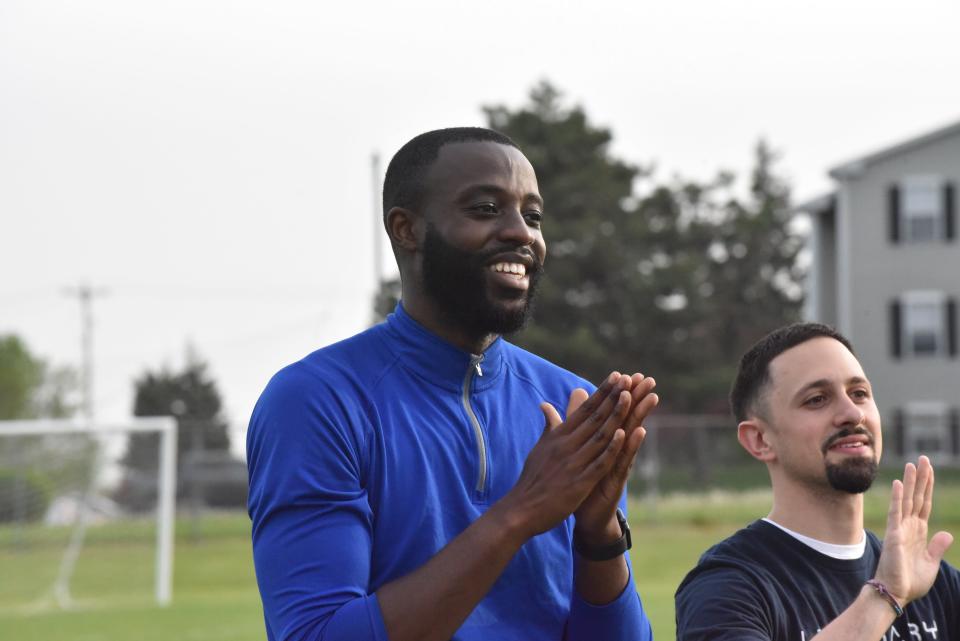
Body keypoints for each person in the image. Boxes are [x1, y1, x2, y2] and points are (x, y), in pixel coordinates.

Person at [247, 127, 658, 641]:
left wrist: (599, 537)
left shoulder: (569, 403)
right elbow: (315, 633)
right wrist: (521, 512)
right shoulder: (317, 402)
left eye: (533, 216)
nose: (521, 233)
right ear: (407, 230)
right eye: (486, 209)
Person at [675, 322, 959, 641]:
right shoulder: (728, 586)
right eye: (817, 399)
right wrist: (885, 595)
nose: (852, 413)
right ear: (759, 440)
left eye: (860, 393)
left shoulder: (935, 583)